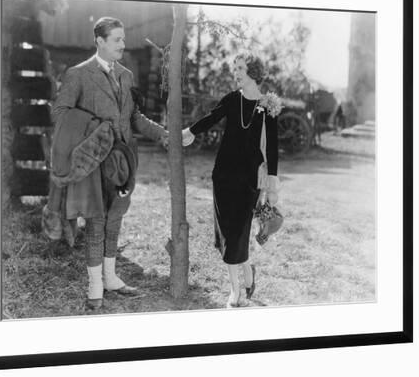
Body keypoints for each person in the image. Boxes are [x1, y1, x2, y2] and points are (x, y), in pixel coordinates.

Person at [51, 16, 168, 310]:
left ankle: (111, 277)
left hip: (124, 163)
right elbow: (60, 113)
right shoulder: (78, 75)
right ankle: (94, 286)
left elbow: (135, 118)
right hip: (93, 163)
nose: (123, 45)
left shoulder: (127, 75)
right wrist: (93, 128)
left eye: (123, 39)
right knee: (95, 221)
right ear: (99, 41)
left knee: (115, 219)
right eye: (116, 39)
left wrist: (166, 135)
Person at [182, 54, 280, 308]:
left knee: (239, 232)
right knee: (229, 233)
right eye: (234, 68)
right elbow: (211, 118)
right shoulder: (231, 99)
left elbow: (273, 149)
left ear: (253, 72)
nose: (235, 72)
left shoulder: (268, 105)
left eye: (240, 68)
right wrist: (189, 132)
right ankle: (243, 279)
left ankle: (236, 292)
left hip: (249, 180)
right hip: (223, 175)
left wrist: (272, 183)